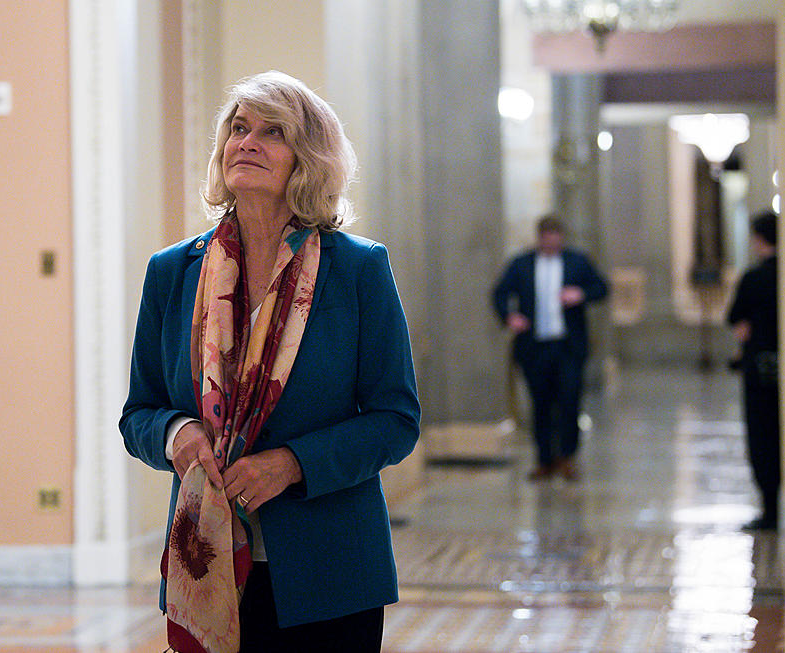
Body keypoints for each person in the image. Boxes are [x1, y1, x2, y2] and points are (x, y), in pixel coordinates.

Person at [119, 71, 420, 653]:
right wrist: (175, 433)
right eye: (238, 129)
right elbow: (139, 413)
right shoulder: (172, 272)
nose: (247, 142)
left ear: (307, 159)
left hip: (330, 574)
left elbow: (395, 420)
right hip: (205, 569)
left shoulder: (357, 270)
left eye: (271, 132)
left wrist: (291, 464)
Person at [492, 215, 608, 481]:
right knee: (540, 404)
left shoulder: (577, 261)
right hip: (535, 347)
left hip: (568, 347)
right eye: (548, 239)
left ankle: (567, 457)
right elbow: (500, 293)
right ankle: (544, 460)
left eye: (557, 240)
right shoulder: (522, 264)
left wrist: (580, 294)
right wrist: (510, 317)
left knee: (569, 401)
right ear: (540, 238)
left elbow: (602, 287)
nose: (553, 244)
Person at [727, 211, 779, 531]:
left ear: (759, 240)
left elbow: (735, 316)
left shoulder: (754, 278)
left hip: (759, 368)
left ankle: (771, 507)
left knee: (762, 436)